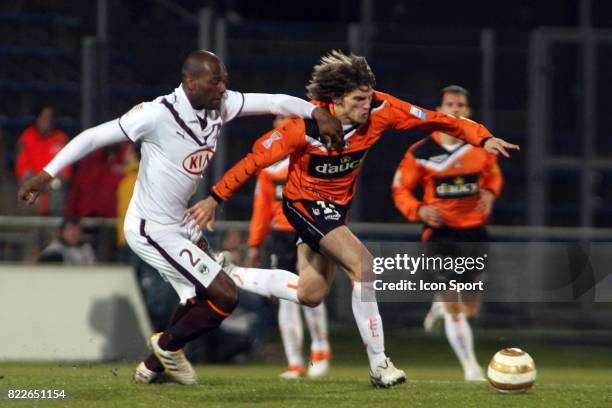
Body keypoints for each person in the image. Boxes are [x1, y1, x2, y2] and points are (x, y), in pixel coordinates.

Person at [185, 50, 518, 388]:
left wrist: (483, 137)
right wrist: (215, 198)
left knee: (310, 293)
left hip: (333, 212)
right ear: (336, 99)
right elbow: (254, 160)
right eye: (359, 99)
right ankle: (380, 365)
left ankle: (227, 273)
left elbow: (438, 120)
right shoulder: (303, 125)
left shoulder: (382, 110)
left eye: (369, 97)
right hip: (303, 206)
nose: (366, 105)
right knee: (365, 266)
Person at [18, 49, 343, 386]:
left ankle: (150, 368)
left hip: (181, 223)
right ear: (191, 81)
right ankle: (166, 347)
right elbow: (93, 136)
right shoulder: (156, 114)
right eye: (215, 81)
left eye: (224, 81)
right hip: (151, 228)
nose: (222, 88)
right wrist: (46, 175)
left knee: (196, 302)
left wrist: (316, 113)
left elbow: (275, 102)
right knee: (224, 294)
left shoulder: (221, 104)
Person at [391, 85, 503, 381]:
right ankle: (471, 369)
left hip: (475, 234)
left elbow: (493, 175)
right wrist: (418, 210)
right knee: (455, 304)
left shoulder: (481, 146)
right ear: (439, 111)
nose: (456, 109)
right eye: (450, 104)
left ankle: (440, 306)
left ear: (469, 112)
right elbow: (401, 188)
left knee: (470, 310)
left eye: (461, 105)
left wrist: (490, 192)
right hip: (440, 235)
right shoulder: (421, 151)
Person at [247, 116, 331, 379]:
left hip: (308, 229)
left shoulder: (313, 155)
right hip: (280, 235)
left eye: (290, 120)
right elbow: (261, 207)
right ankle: (295, 361)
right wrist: (254, 243)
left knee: (311, 291)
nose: (284, 124)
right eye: (281, 119)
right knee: (287, 298)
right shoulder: (269, 164)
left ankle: (319, 346)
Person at [15, 106, 71, 215]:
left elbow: (66, 170)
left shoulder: (61, 138)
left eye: (49, 118)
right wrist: (36, 183)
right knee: (28, 191)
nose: (46, 122)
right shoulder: (27, 137)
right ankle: (31, 230)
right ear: (37, 119)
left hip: (54, 187)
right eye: (43, 118)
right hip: (33, 184)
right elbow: (22, 168)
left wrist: (47, 185)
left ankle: (55, 229)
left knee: (57, 191)